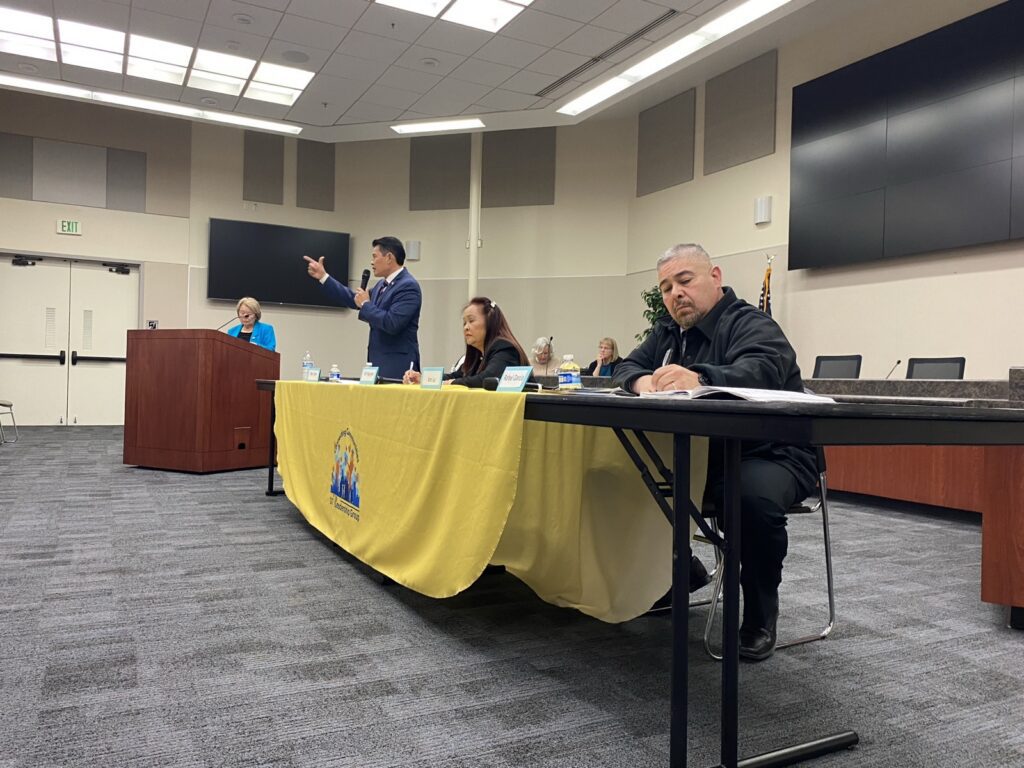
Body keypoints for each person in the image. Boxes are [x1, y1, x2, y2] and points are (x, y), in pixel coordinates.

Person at [614, 243, 816, 662]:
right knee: (629, 476)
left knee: (748, 497)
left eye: (685, 280)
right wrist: (643, 383)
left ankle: (760, 614)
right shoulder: (668, 334)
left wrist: (701, 378)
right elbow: (625, 367)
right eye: (666, 288)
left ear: (715, 277)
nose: (676, 294)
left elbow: (762, 371)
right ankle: (680, 573)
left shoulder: (751, 323)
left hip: (771, 452)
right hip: (707, 454)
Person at [304, 236, 421, 380]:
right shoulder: (381, 285)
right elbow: (354, 299)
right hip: (378, 363)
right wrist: (323, 277)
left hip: (398, 366)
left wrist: (366, 304)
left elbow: (392, 323)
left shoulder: (408, 286)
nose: (371, 262)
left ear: (389, 257)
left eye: (374, 256)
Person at [403, 297, 530, 389]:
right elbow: (458, 375)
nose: (466, 327)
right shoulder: (478, 354)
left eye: (471, 321)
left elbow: (486, 379)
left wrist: (450, 384)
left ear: (489, 322)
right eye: (464, 323)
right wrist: (423, 378)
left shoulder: (504, 348)